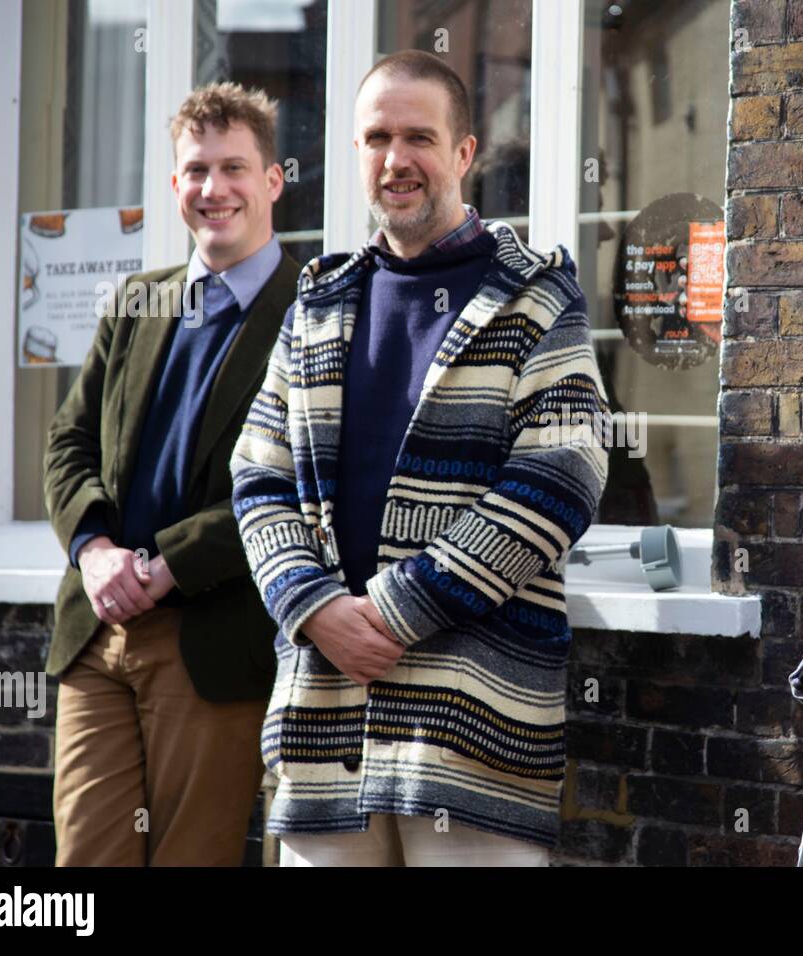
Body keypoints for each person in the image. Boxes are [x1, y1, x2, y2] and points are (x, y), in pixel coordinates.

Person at [230, 50, 610, 867]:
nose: (396, 159)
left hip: (473, 731)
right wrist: (314, 607)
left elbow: (560, 480)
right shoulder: (317, 305)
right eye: (376, 138)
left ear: (464, 153)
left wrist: (396, 611)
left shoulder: (536, 297)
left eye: (419, 137)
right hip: (323, 725)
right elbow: (258, 477)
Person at [44, 82, 300, 866]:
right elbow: (67, 442)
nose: (212, 189)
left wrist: (166, 566)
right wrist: (94, 552)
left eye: (233, 168)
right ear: (174, 185)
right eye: (195, 171)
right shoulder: (137, 300)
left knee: (192, 857)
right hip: (100, 634)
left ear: (272, 180)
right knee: (84, 865)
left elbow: (296, 486)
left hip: (213, 638)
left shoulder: (312, 311)